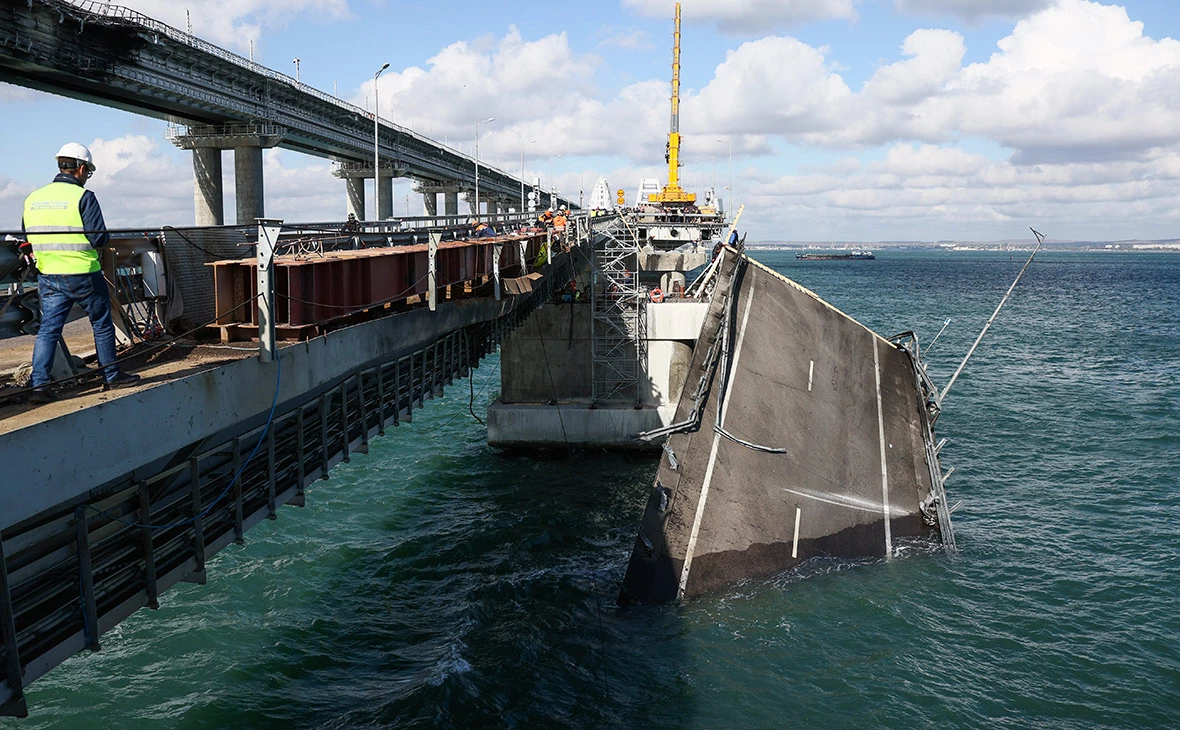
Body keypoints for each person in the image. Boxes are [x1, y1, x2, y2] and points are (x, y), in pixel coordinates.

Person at [22, 142, 139, 403]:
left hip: (48, 275)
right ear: (82, 168)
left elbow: (27, 238)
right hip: (83, 272)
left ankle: (39, 386)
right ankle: (111, 377)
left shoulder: (33, 199)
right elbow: (99, 239)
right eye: (89, 172)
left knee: (48, 330)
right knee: (101, 324)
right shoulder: (83, 197)